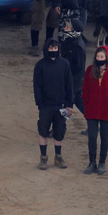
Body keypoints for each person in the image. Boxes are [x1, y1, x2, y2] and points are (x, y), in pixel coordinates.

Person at [33, 38, 74, 170]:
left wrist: (69, 105)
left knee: (59, 131)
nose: (53, 51)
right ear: (46, 49)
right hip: (46, 106)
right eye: (50, 48)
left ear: (58, 49)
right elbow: (37, 86)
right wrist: (40, 104)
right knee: (43, 131)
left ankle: (58, 156)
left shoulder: (65, 65)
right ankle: (43, 157)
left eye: (55, 48)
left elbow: (69, 86)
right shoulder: (40, 66)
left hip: (60, 105)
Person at [80, 45, 108, 175]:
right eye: (97, 56)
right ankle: (92, 162)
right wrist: (87, 103)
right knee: (92, 137)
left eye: (102, 57)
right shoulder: (90, 70)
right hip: (92, 110)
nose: (99, 59)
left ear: (107, 58)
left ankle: (102, 162)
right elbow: (85, 89)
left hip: (106, 111)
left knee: (104, 137)